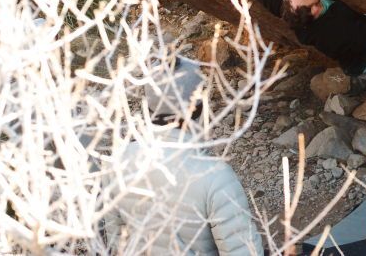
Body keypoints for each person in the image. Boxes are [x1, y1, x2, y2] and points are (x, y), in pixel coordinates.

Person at [104, 56, 263, 255]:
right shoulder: (216, 176)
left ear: (149, 108)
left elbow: (115, 245)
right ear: (197, 107)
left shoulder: (118, 161)